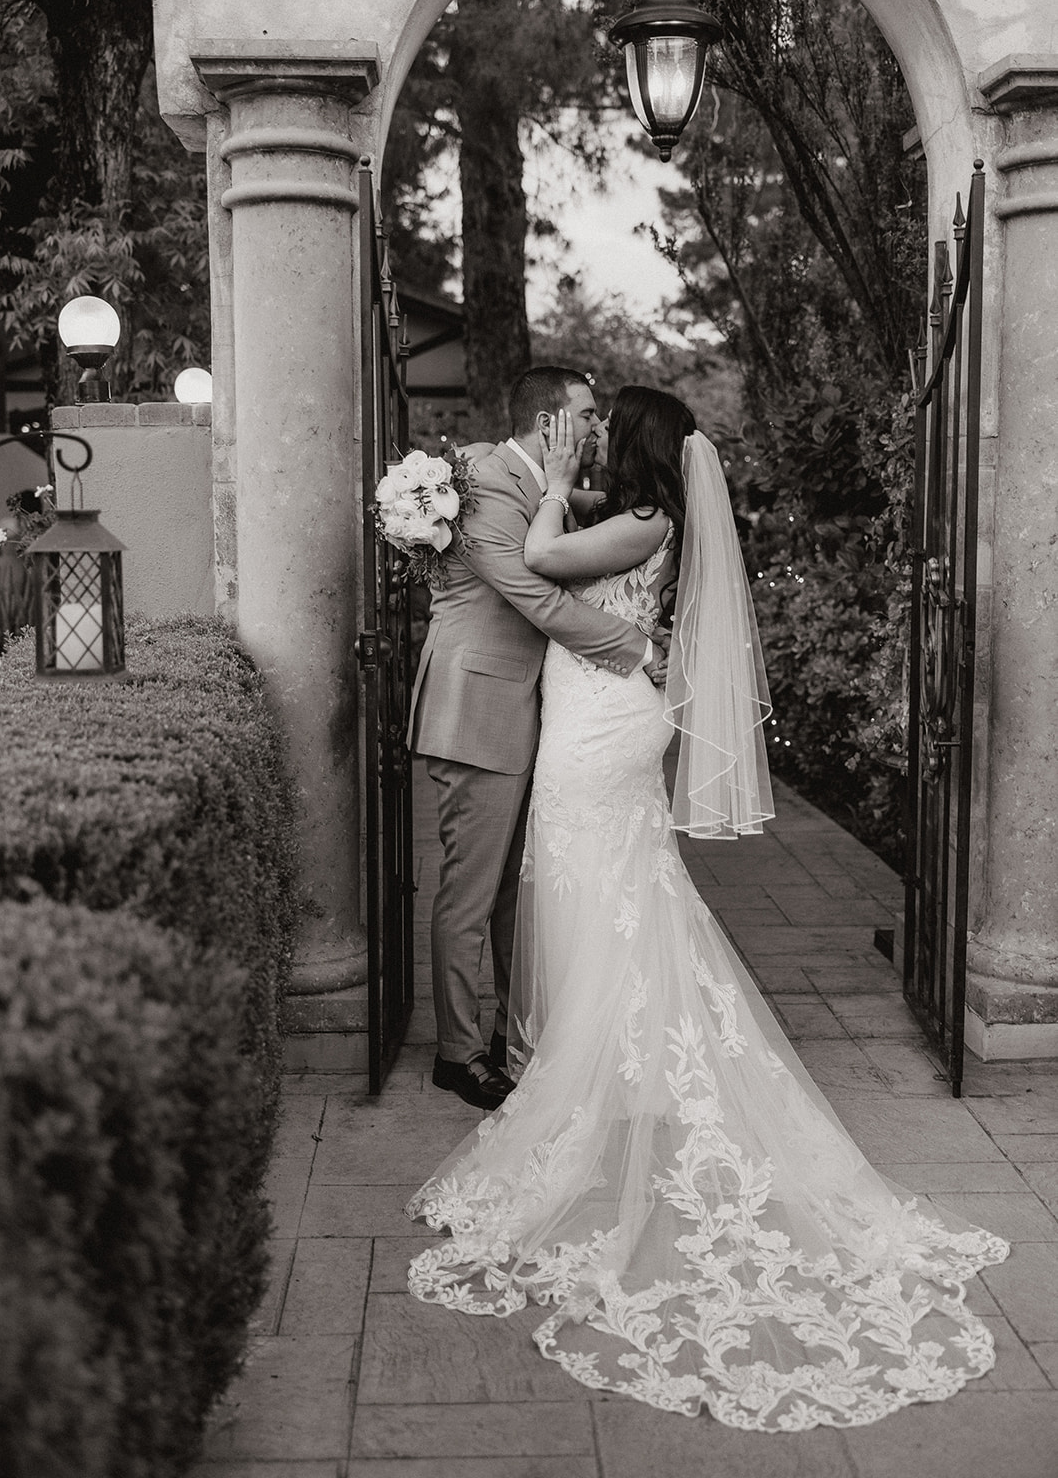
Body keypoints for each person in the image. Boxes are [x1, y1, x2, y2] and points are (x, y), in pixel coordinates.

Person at [407, 385, 1009, 1431]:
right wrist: (549, 491)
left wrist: (549, 488)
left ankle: (593, 1063)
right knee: (615, 888)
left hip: (599, 722)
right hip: (601, 721)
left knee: (600, 886)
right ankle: (590, 1050)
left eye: (603, 430)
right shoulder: (638, 512)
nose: (585, 444)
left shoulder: (634, 519)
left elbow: (543, 566)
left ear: (629, 447)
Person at [408, 366, 668, 1112]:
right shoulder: (489, 487)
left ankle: (512, 1033)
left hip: (534, 713)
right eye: (586, 416)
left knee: (515, 893)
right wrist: (640, 649)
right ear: (548, 422)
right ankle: (457, 1054)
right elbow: (540, 599)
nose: (596, 430)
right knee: (472, 889)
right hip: (478, 706)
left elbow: (598, 509)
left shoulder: (529, 479)